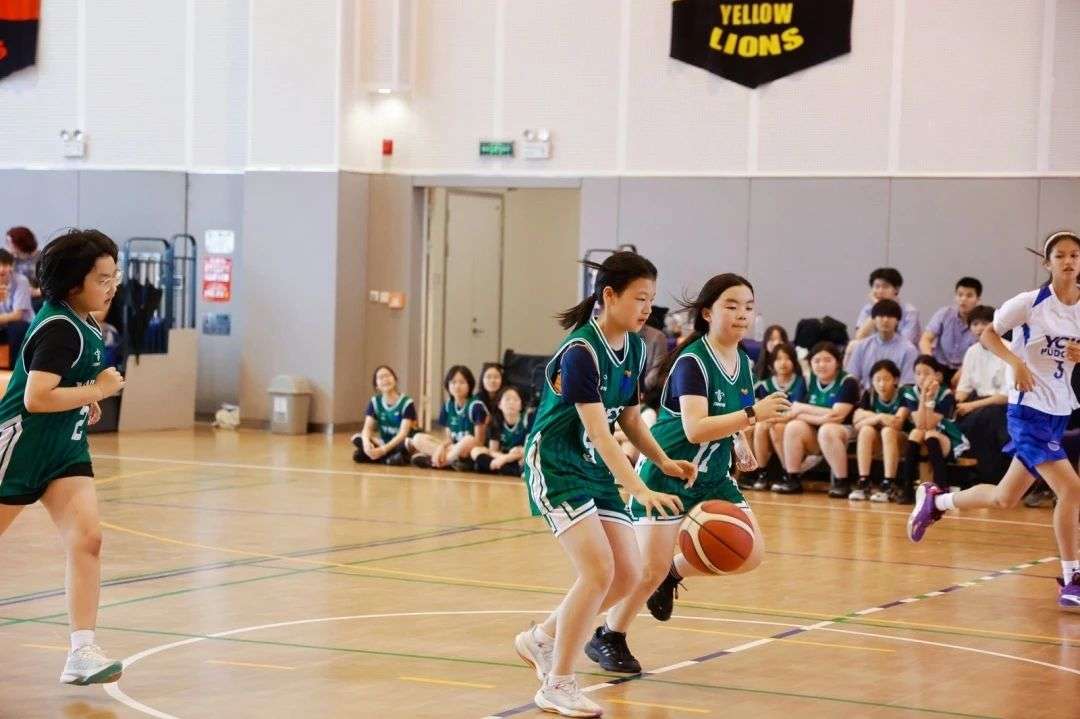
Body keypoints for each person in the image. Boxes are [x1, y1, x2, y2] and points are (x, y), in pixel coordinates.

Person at [512, 252, 693, 718]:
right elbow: (597, 430)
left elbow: (628, 420)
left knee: (629, 574)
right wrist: (639, 488)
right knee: (597, 572)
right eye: (639, 298)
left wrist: (663, 460)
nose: (647, 308)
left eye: (651, 299)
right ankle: (558, 683)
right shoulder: (581, 352)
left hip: (593, 466)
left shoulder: (635, 347)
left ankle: (540, 639)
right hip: (556, 463)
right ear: (609, 296)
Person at [592, 274, 788, 674]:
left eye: (748, 307)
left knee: (750, 553)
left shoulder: (743, 361)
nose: (742, 314)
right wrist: (754, 414)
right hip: (668, 470)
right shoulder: (692, 362)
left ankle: (673, 573)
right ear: (708, 313)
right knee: (645, 572)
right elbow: (695, 428)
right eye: (731, 306)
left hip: (713, 474)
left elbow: (728, 418)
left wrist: (741, 445)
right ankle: (609, 635)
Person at [908, 231, 1080, 612]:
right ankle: (1073, 578)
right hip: (1028, 410)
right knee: (1072, 490)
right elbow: (988, 335)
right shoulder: (1030, 303)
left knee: (1005, 497)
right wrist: (1015, 362)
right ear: (1048, 262)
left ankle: (938, 501)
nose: (1069, 261)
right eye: (1061, 255)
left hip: (1058, 409)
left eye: (1075, 255)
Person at [0, 228, 127, 685]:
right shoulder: (59, 327)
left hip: (65, 450)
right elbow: (35, 398)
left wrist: (83, 397)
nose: (112, 286)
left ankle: (82, 651)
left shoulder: (84, 321)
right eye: (102, 279)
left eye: (114, 277)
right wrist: (97, 390)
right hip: (21, 448)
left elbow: (61, 385)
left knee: (87, 539)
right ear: (74, 284)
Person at [772, 342, 860, 496]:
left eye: (827, 360)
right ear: (810, 363)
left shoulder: (848, 381)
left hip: (844, 430)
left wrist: (804, 409)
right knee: (794, 426)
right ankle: (792, 478)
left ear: (837, 362)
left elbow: (837, 416)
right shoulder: (807, 380)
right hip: (814, 429)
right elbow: (794, 410)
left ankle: (842, 481)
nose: (822, 365)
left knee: (827, 430)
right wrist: (819, 415)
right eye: (817, 361)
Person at [896, 355, 968, 502]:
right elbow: (920, 424)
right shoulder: (910, 393)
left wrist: (929, 399)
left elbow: (930, 424)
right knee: (916, 433)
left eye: (927, 373)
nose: (922, 377)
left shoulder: (946, 394)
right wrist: (924, 395)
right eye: (918, 373)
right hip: (924, 435)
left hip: (946, 438)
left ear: (937, 375)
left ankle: (942, 487)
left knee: (930, 433)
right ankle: (907, 488)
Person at [954, 305, 1012, 485]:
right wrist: (954, 403)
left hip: (1002, 406)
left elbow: (1006, 396)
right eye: (975, 324)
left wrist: (970, 406)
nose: (979, 328)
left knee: (986, 419)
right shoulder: (972, 351)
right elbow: (964, 388)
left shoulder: (1009, 348)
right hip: (978, 404)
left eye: (985, 323)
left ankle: (992, 479)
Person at [742, 342, 806, 491]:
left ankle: (787, 473)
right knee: (759, 427)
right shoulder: (765, 384)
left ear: (794, 361)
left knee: (775, 427)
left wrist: (773, 418)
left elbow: (796, 409)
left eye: (787, 358)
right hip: (770, 422)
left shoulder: (801, 382)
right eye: (778, 359)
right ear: (771, 364)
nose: (783, 363)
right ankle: (762, 474)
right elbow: (755, 407)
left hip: (793, 422)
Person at [851, 360, 910, 502]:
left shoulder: (904, 394)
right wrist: (880, 417)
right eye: (877, 380)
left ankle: (889, 483)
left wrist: (869, 417)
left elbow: (897, 423)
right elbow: (856, 423)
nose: (882, 384)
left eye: (886, 379)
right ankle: (864, 481)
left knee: (888, 431)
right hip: (879, 443)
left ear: (895, 380)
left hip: (904, 441)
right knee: (866, 430)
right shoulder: (869, 394)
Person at [409, 365, 489, 470]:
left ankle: (437, 462)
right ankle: (450, 461)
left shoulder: (476, 406)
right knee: (417, 438)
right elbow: (449, 439)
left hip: (471, 450)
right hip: (454, 449)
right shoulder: (447, 405)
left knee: (468, 439)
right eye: (453, 382)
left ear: (470, 385)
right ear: (448, 385)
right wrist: (441, 447)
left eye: (462, 382)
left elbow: (479, 441)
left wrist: (456, 448)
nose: (457, 386)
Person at [350, 365, 416, 465]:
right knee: (358, 438)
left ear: (395, 380)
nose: (385, 379)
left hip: (401, 442)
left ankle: (382, 457)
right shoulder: (375, 401)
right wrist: (366, 443)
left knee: (406, 444)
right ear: (376, 385)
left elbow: (403, 434)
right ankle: (390, 459)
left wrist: (383, 450)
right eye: (381, 377)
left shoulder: (407, 403)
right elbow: (367, 428)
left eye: (388, 375)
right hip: (384, 441)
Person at [920, 277, 982, 383]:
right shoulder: (944, 314)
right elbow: (925, 339)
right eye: (960, 295)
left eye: (969, 296)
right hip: (939, 365)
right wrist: (931, 365)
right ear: (955, 297)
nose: (963, 299)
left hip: (967, 368)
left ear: (978, 300)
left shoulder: (981, 323)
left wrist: (962, 372)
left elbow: (979, 354)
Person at [845, 299, 918, 389]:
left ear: (897, 321)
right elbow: (852, 378)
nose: (885, 320)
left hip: (896, 395)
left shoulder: (909, 349)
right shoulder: (862, 346)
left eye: (890, 316)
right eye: (881, 316)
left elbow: (907, 384)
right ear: (874, 320)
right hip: (866, 395)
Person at [852, 267, 921, 345]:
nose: (880, 291)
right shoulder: (868, 309)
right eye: (877, 287)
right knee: (853, 345)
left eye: (885, 287)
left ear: (897, 289)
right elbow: (859, 338)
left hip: (899, 351)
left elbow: (906, 343)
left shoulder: (909, 312)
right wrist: (877, 309)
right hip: (874, 350)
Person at [470, 385, 529, 475]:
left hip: (519, 458)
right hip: (501, 457)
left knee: (527, 455)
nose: (511, 402)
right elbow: (493, 451)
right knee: (475, 451)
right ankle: (510, 470)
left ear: (521, 405)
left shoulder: (527, 420)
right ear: (499, 405)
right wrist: (504, 457)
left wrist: (506, 458)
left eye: (515, 400)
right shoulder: (495, 422)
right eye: (507, 399)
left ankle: (503, 469)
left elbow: (528, 450)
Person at [0, 248, 36, 363]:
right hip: (3, 325)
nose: (1, 269)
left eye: (5, 265)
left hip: (22, 324)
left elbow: (17, 315)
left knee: (17, 328)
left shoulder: (21, 281)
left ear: (11, 266)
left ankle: (15, 367)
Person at [5, 226, 40, 298]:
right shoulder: (11, 259)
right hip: (14, 296)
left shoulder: (41, 258)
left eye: (9, 243)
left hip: (35, 298)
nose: (7, 246)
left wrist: (36, 292)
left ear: (20, 243)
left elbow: (51, 286)